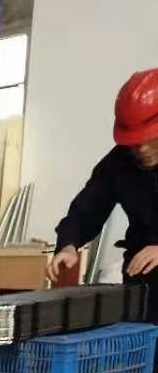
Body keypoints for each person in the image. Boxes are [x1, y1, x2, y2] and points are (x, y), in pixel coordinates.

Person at [47, 68, 158, 300]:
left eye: (150, 139)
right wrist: (69, 244)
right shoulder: (118, 163)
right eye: (134, 141)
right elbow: (88, 207)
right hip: (143, 279)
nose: (142, 148)